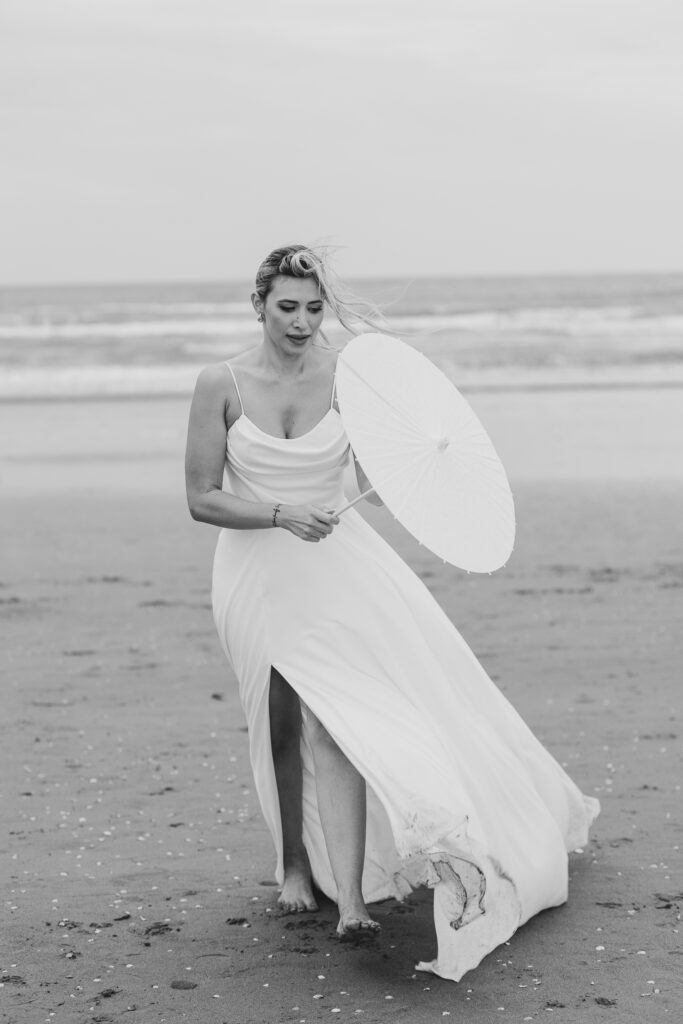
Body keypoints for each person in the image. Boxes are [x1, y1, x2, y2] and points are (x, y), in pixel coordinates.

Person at [184, 244, 599, 981]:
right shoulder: (219, 383)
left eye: (313, 309)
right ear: (258, 305)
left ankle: (350, 898)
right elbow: (201, 498)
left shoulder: (349, 380)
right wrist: (281, 514)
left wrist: (406, 459)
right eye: (287, 307)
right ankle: (292, 867)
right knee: (279, 719)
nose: (303, 322)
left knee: (338, 723)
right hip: (255, 572)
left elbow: (371, 483)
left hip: (340, 570)